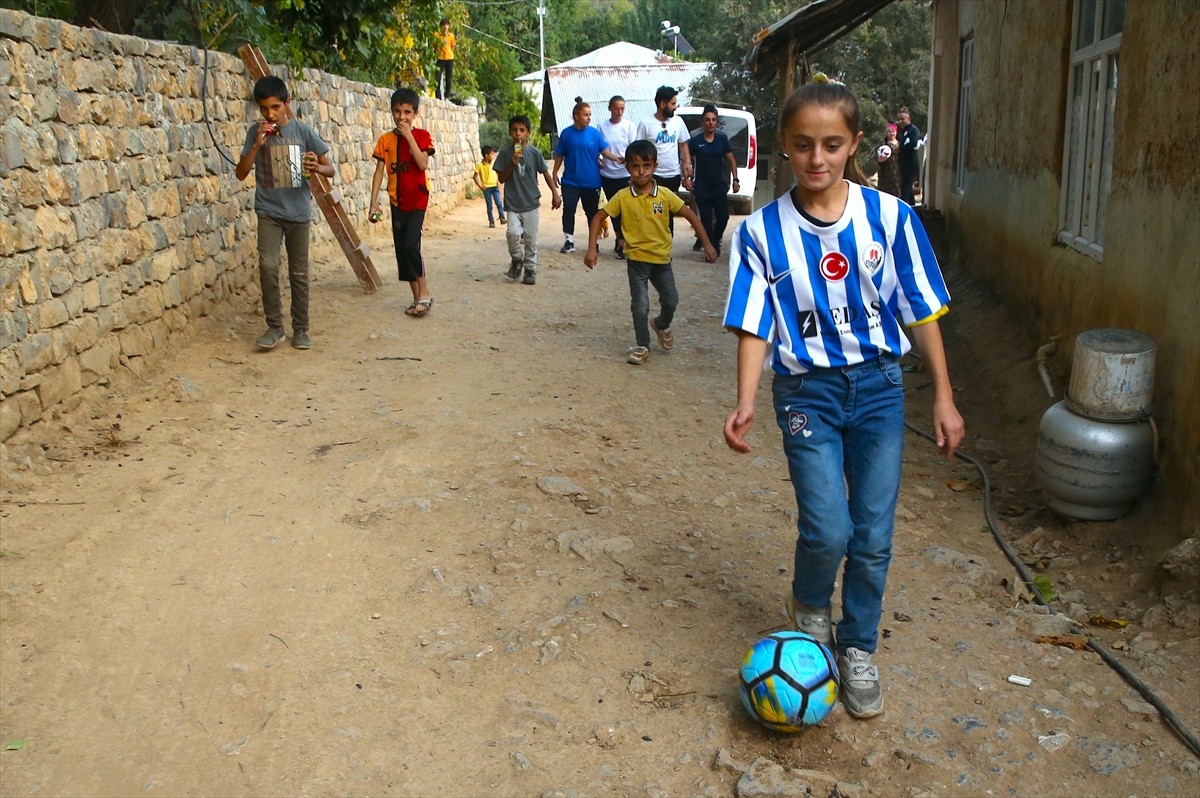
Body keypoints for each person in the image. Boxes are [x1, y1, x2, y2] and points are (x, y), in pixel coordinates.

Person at [722, 80, 964, 720]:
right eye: (803, 145)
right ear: (784, 147)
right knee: (828, 526)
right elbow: (754, 323)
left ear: (856, 144)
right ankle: (809, 612)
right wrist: (745, 399)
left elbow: (921, 311)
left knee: (874, 534)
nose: (817, 158)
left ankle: (857, 646)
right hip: (806, 393)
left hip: (881, 391)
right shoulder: (761, 233)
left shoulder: (891, 219)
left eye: (832, 144)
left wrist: (943, 395)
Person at [583, 139, 717, 365]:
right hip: (636, 260)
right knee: (640, 305)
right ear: (628, 168)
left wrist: (708, 244)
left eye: (646, 165)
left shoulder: (664, 195)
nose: (641, 171)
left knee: (671, 301)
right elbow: (598, 217)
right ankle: (642, 345)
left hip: (661, 260)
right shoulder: (622, 197)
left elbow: (691, 215)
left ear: (655, 166)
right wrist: (591, 249)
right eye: (635, 166)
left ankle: (661, 324)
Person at [236, 75, 334, 351]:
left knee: (299, 273)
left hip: (298, 212)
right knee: (267, 266)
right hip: (269, 211)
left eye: (276, 108)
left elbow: (330, 169)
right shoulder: (255, 133)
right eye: (265, 109)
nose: (270, 114)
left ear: (287, 104)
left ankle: (300, 329)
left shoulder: (303, 132)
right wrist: (256, 144)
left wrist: (316, 166)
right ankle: (275, 327)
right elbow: (241, 173)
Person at [369, 87, 436, 316]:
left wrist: (408, 136)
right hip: (396, 200)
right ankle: (417, 298)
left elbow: (422, 164)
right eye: (397, 111)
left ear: (415, 113)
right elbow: (379, 172)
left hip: (417, 198)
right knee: (402, 250)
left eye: (407, 112)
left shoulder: (422, 136)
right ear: (391, 112)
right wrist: (373, 202)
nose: (402, 117)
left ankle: (425, 293)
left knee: (411, 244)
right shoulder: (385, 141)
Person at [494, 115, 561, 285]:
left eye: (522, 130)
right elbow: (501, 179)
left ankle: (530, 269)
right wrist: (512, 164)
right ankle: (517, 258)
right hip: (513, 204)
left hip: (531, 203)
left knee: (531, 238)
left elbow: (545, 173)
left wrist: (555, 192)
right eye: (515, 130)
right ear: (510, 132)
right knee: (512, 234)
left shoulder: (534, 153)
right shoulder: (505, 153)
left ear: (528, 133)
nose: (518, 134)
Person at [553, 98, 623, 254]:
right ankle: (569, 241)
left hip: (591, 182)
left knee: (592, 212)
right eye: (586, 115)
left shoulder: (594, 134)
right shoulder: (566, 134)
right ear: (576, 115)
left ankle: (593, 242)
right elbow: (559, 155)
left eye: (590, 115)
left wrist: (616, 158)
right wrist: (554, 173)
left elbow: (604, 151)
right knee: (569, 209)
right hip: (570, 181)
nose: (589, 118)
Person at [636, 86, 692, 233]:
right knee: (653, 211)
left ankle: (666, 246)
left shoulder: (678, 122)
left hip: (673, 175)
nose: (675, 107)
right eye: (673, 104)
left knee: (668, 212)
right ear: (662, 104)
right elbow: (637, 149)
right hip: (653, 176)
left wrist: (687, 164)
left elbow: (683, 145)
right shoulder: (645, 123)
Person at [685, 105, 738, 256]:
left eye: (714, 120)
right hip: (701, 187)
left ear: (717, 122)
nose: (711, 123)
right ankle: (712, 249)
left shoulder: (722, 139)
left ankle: (714, 241)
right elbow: (687, 160)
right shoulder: (695, 141)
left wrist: (735, 179)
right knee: (706, 220)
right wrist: (687, 177)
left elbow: (731, 159)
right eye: (707, 120)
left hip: (719, 186)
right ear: (702, 122)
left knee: (723, 217)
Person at [597, 95, 639, 260]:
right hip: (607, 174)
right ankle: (619, 237)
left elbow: (633, 147)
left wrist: (631, 168)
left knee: (626, 208)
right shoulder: (602, 126)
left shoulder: (629, 126)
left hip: (624, 173)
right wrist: (598, 160)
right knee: (614, 209)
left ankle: (623, 241)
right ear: (610, 108)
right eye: (616, 108)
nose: (619, 111)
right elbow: (597, 147)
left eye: (622, 108)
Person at [473, 145, 505, 228]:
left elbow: (498, 172)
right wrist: (480, 186)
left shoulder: (494, 163)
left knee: (499, 202)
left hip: (495, 186)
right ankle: (491, 220)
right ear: (486, 155)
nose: (494, 156)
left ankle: (502, 217)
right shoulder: (479, 165)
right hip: (486, 188)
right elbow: (475, 176)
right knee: (489, 205)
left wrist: (498, 181)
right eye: (492, 154)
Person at [897, 106, 921, 205]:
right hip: (904, 165)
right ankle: (913, 208)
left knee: (905, 190)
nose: (900, 121)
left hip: (911, 164)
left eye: (902, 119)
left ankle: (901, 213)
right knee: (908, 189)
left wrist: (900, 148)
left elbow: (913, 143)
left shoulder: (913, 130)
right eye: (899, 119)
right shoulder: (903, 131)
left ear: (908, 119)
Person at [875, 122, 901, 197]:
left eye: (893, 131)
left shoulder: (900, 144)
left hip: (897, 171)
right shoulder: (883, 144)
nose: (892, 133)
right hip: (885, 171)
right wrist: (880, 160)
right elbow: (877, 156)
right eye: (890, 132)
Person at [433, 18, 456, 101]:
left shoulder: (451, 36)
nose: (445, 27)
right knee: (437, 78)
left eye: (447, 25)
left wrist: (450, 53)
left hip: (449, 58)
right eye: (444, 25)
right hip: (440, 58)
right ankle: (437, 97)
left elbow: (453, 46)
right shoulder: (437, 35)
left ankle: (447, 97)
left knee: (449, 78)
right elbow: (434, 46)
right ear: (441, 26)